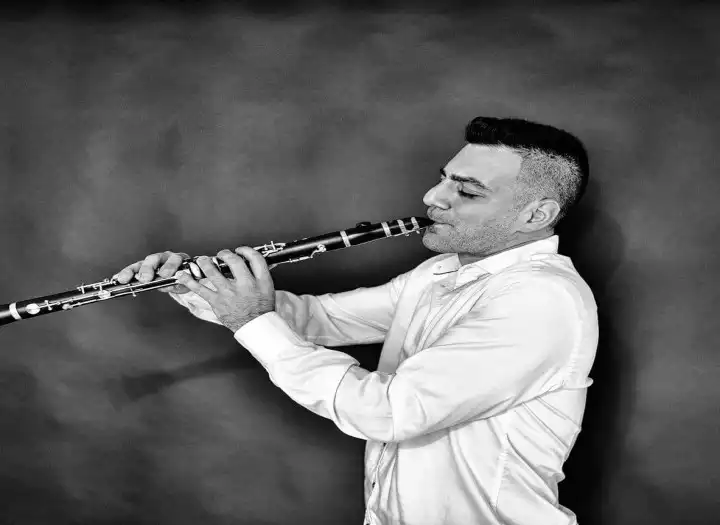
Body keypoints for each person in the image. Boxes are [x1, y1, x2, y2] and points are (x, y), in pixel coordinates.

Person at [114, 117, 599, 525]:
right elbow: (319, 318)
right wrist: (202, 288)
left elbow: (391, 413)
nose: (433, 197)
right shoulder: (439, 273)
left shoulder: (541, 300)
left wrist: (252, 320)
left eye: (467, 192)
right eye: (444, 179)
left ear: (536, 214)